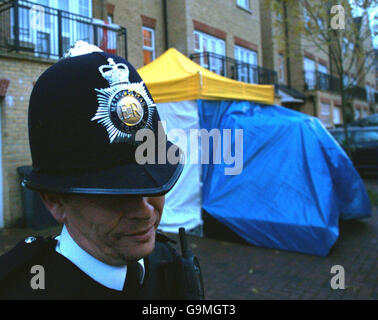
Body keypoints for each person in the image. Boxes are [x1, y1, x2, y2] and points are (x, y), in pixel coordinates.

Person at [0, 41, 204, 300]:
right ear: (54, 200)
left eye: (155, 184)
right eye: (117, 194)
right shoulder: (21, 289)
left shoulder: (168, 263)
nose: (145, 211)